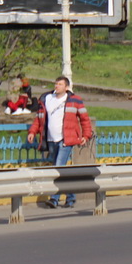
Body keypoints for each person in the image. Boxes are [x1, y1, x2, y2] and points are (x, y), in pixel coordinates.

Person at [27, 76, 93, 209]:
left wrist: (86, 135)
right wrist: (32, 132)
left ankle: (54, 198)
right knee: (60, 170)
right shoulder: (47, 99)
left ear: (66, 87)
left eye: (60, 84)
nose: (57, 86)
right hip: (51, 139)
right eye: (56, 84)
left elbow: (85, 119)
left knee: (58, 167)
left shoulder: (75, 100)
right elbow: (39, 119)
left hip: (66, 140)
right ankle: (71, 197)